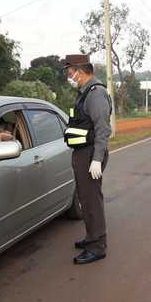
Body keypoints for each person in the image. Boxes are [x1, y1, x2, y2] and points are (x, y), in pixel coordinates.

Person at [62, 54, 112, 264]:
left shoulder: (96, 93)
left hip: (91, 154)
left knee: (91, 201)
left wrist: (96, 160)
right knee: (85, 198)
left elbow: (103, 130)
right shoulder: (85, 93)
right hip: (83, 153)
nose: (69, 77)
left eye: (69, 73)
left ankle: (97, 247)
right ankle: (91, 237)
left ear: (80, 71)